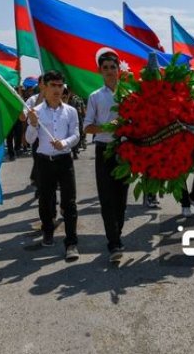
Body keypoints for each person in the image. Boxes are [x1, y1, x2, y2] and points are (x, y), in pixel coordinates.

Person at [25, 70, 80, 261]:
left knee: (69, 201)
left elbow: (76, 135)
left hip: (64, 160)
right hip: (44, 161)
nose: (57, 89)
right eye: (53, 85)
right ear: (44, 87)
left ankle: (71, 242)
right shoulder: (36, 112)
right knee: (46, 200)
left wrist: (64, 143)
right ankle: (47, 231)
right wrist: (32, 124)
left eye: (60, 85)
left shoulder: (70, 111)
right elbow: (29, 140)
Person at [83, 49, 130, 260]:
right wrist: (106, 127)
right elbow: (87, 128)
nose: (110, 71)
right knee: (106, 197)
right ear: (100, 71)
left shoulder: (128, 94)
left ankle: (116, 232)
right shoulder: (95, 97)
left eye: (113, 67)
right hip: (104, 150)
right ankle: (114, 242)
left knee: (121, 196)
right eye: (106, 68)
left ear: (119, 69)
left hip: (124, 150)